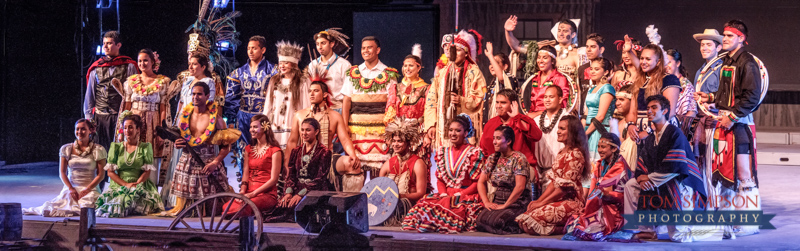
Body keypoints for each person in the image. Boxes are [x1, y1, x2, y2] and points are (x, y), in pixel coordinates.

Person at [696, 20, 766, 237]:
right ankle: (728, 221)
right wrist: (711, 97)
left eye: (729, 36)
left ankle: (748, 224)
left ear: (741, 39)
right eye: (724, 35)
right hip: (725, 123)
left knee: (743, 174)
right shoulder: (726, 61)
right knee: (725, 174)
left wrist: (733, 116)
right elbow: (728, 95)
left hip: (739, 125)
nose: (724, 39)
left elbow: (752, 96)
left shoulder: (747, 63)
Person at [622, 95, 708, 242]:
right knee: (631, 185)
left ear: (665, 111)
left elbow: (674, 165)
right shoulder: (651, 137)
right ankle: (645, 229)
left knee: (678, 237)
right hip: (659, 179)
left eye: (654, 107)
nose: (649, 111)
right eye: (648, 108)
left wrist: (648, 178)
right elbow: (643, 162)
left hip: (682, 183)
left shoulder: (674, 133)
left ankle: (710, 231)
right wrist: (641, 178)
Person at [402, 114, 484, 233]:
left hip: (466, 195)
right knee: (424, 206)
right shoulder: (443, 152)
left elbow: (477, 182)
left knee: (452, 211)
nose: (453, 134)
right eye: (450, 130)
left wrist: (461, 194)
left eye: (457, 130)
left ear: (466, 133)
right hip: (446, 194)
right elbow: (440, 179)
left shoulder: (474, 153)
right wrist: (443, 193)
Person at [164, 82, 234, 216]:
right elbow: (180, 139)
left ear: (207, 95)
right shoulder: (184, 117)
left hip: (207, 163)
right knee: (185, 211)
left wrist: (215, 162)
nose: (195, 97)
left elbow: (226, 147)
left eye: (199, 94)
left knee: (212, 210)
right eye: (193, 94)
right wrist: (177, 144)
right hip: (187, 162)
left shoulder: (217, 120)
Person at [112, 49, 177, 184]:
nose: (142, 63)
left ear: (153, 62)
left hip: (153, 123)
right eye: (140, 60)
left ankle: (149, 191)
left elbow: (163, 108)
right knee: (132, 153)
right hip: (134, 122)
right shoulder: (131, 81)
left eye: (145, 60)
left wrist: (162, 132)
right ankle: (131, 185)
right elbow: (127, 107)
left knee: (150, 156)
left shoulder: (162, 81)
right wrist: (121, 130)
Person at [83, 31, 138, 191]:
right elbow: (90, 96)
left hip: (120, 117)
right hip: (100, 116)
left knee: (120, 152)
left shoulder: (128, 66)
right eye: (104, 43)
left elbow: (133, 93)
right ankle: (97, 189)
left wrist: (132, 117)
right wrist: (88, 119)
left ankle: (120, 189)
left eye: (109, 43)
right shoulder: (96, 68)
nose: (105, 46)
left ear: (118, 45)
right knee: (100, 153)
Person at [516, 115, 588, 236]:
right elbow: (554, 184)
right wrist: (538, 201)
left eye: (562, 129)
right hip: (559, 199)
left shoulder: (576, 154)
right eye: (558, 128)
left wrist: (541, 203)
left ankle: (572, 226)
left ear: (572, 132)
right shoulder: (561, 152)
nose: (558, 131)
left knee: (531, 223)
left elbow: (563, 189)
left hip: (571, 202)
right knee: (524, 221)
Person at [161, 53, 217, 207]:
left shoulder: (208, 82)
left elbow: (209, 103)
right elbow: (180, 102)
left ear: (203, 67)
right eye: (190, 64)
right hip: (184, 121)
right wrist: (177, 122)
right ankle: (175, 199)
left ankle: (196, 199)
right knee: (179, 158)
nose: (190, 67)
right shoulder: (187, 81)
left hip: (198, 122)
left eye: (194, 64)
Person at [286, 79, 361, 192]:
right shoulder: (299, 115)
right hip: (305, 159)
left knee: (353, 165)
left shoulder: (335, 115)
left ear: (325, 94)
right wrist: (287, 164)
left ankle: (348, 205)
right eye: (310, 91)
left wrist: (353, 155)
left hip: (328, 158)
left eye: (315, 91)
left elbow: (345, 140)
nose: (311, 94)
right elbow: (292, 141)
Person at [23, 119, 107, 217]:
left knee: (87, 206)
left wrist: (87, 189)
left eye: (83, 129)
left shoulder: (98, 149)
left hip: (90, 188)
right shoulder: (66, 149)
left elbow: (101, 175)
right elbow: (62, 172)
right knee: (63, 204)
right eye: (77, 129)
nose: (79, 132)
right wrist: (71, 188)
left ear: (90, 131)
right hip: (71, 187)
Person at [342, 36, 399, 177]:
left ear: (378, 50)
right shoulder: (352, 73)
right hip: (356, 130)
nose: (365, 50)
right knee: (355, 170)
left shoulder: (389, 73)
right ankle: (354, 199)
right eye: (363, 48)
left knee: (378, 172)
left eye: (369, 47)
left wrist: (390, 130)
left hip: (380, 131)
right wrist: (344, 126)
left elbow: (392, 104)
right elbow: (346, 101)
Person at [225, 35, 278, 183]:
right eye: (248, 48)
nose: (250, 51)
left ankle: (262, 182)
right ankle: (245, 182)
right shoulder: (238, 73)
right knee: (243, 150)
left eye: (254, 48)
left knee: (264, 150)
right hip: (243, 117)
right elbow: (231, 99)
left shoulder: (273, 71)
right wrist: (231, 120)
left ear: (263, 49)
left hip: (263, 117)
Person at [563, 133, 632, 241]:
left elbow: (614, 194)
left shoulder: (620, 166)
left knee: (589, 231)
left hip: (616, 208)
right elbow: (593, 190)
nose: (599, 150)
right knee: (573, 224)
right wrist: (587, 207)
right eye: (598, 147)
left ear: (614, 148)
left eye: (603, 147)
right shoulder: (600, 164)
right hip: (601, 203)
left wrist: (603, 194)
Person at [426, 30, 487, 147]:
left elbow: (480, 96)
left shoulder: (474, 72)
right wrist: (431, 124)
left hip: (466, 125)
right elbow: (431, 99)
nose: (454, 53)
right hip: (443, 125)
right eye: (452, 50)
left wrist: (462, 100)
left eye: (458, 50)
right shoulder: (442, 73)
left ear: (466, 53)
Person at [95, 114, 164, 217]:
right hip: (119, 184)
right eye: (125, 128)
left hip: (139, 183)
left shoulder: (145, 147)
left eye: (131, 127)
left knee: (135, 201)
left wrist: (136, 184)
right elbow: (110, 172)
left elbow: (147, 171)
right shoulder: (116, 147)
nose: (127, 130)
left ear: (138, 129)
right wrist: (125, 184)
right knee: (119, 203)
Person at [479, 89, 541, 188]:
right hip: (497, 169)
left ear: (513, 104)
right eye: (497, 102)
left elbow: (536, 136)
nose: (499, 106)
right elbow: (484, 150)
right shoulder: (490, 124)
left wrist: (517, 118)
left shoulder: (523, 120)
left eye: (503, 103)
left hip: (522, 169)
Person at [476, 126, 531, 235]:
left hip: (516, 202)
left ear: (509, 141)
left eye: (498, 138)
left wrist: (505, 205)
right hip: (498, 200)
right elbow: (480, 182)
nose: (494, 142)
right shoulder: (492, 158)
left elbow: (520, 187)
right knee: (479, 221)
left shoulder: (519, 158)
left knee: (498, 221)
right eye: (494, 138)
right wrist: (486, 202)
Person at [224, 115, 282, 217]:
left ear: (265, 128)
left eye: (255, 127)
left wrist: (253, 194)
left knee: (243, 208)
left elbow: (273, 180)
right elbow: (245, 174)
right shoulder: (248, 149)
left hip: (266, 194)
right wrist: (242, 191)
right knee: (226, 207)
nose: (251, 130)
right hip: (248, 192)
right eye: (251, 127)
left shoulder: (275, 151)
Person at [277, 118, 333, 220]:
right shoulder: (296, 151)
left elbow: (320, 179)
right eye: (302, 130)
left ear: (316, 132)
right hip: (297, 188)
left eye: (308, 130)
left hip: (315, 190)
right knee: (281, 206)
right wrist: (288, 193)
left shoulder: (324, 152)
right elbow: (291, 175)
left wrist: (300, 194)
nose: (304, 133)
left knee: (297, 208)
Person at [625, 42, 681, 143]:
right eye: (642, 58)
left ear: (658, 62)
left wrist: (649, 131)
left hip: (661, 130)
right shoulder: (640, 82)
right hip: (640, 131)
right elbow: (632, 112)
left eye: (648, 59)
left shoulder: (669, 79)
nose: (643, 62)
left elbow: (669, 111)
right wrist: (630, 125)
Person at [378, 118, 430, 226]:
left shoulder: (418, 163)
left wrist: (400, 196)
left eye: (400, 141)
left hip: (411, 208)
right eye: (394, 141)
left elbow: (421, 193)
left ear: (408, 143)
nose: (396, 144)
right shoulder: (387, 164)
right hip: (388, 207)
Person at [504, 16, 587, 80]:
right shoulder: (546, 49)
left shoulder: (579, 53)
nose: (561, 34)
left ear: (573, 34)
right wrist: (508, 32)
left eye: (565, 31)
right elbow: (517, 47)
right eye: (559, 30)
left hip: (569, 97)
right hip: (547, 95)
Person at [263, 41, 310, 149]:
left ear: (293, 64)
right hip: (276, 124)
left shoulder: (302, 81)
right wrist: (265, 123)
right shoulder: (274, 80)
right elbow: (268, 105)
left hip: (292, 123)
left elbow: (306, 106)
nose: (282, 66)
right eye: (280, 63)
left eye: (286, 62)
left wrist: (305, 126)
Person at [385, 44, 430, 138]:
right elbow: (390, 112)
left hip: (418, 134)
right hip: (398, 136)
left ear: (419, 68)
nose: (407, 69)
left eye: (411, 66)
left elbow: (429, 112)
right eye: (405, 66)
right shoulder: (395, 88)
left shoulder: (426, 88)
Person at [307, 28, 352, 114]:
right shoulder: (313, 65)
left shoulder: (344, 65)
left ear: (332, 44)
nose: (320, 47)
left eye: (323, 43)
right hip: (319, 108)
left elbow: (348, 93)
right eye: (317, 44)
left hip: (338, 108)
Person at [519, 45, 572, 117]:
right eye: (539, 57)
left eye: (545, 58)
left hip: (551, 118)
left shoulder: (559, 78)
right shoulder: (535, 78)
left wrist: (537, 114)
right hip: (532, 116)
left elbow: (562, 104)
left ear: (553, 61)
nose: (540, 61)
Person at [532, 86, 567, 195]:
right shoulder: (536, 121)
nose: (547, 100)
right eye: (545, 97)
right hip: (540, 172)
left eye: (551, 97)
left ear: (560, 99)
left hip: (560, 173)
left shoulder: (567, 119)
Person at [584, 57, 616, 162]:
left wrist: (586, 133)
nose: (592, 71)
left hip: (599, 130)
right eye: (591, 69)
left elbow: (601, 116)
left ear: (606, 72)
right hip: (588, 129)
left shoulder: (607, 88)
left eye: (597, 69)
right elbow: (587, 112)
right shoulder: (592, 89)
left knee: (595, 164)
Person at [482, 42, 520, 127]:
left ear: (505, 66)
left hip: (505, 123)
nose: (492, 66)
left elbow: (502, 77)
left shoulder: (510, 78)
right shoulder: (493, 83)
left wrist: (490, 55)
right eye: (490, 63)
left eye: (495, 63)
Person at [665, 48, 698, 138]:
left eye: (668, 62)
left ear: (678, 63)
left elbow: (691, 112)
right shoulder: (661, 83)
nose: (665, 65)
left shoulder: (686, 85)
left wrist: (679, 127)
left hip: (678, 130)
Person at [576, 33, 606, 117]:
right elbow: (579, 91)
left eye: (593, 47)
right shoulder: (582, 69)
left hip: (602, 114)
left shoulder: (609, 67)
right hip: (583, 114)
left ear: (601, 49)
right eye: (587, 46)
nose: (588, 50)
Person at [612, 85, 638, 170]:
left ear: (632, 101)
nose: (617, 103)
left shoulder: (639, 124)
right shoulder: (619, 124)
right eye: (617, 100)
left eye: (622, 100)